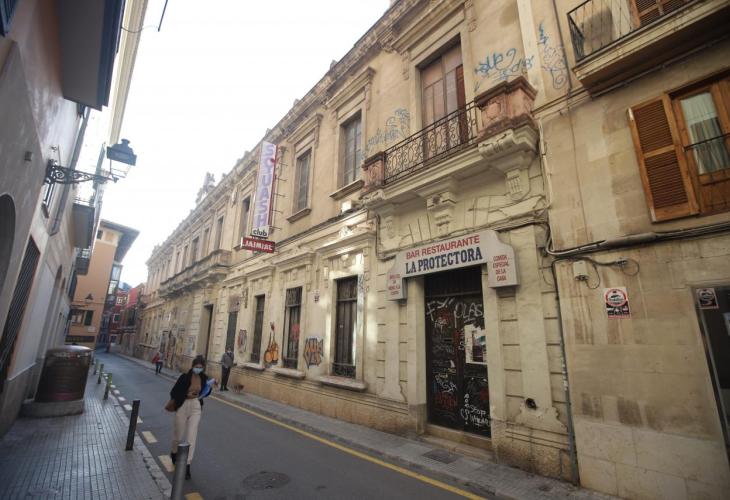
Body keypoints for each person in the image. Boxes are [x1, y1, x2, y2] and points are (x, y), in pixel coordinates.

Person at [169, 355, 210, 479]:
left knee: (191, 437)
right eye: (196, 367)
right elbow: (174, 392)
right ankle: (174, 452)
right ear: (192, 366)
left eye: (200, 367)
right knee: (178, 434)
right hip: (183, 405)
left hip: (196, 406)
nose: (198, 369)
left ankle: (187, 465)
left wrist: (209, 388)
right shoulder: (184, 377)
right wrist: (186, 394)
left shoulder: (204, 378)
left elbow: (205, 392)